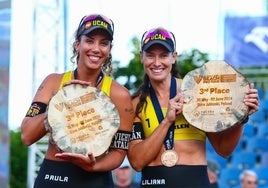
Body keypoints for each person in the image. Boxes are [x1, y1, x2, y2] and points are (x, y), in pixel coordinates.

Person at [127, 27, 260, 188]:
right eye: (150, 55)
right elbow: (137, 162)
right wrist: (167, 122)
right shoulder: (135, 103)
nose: (156, 63)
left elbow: (223, 150)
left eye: (163, 55)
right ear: (142, 57)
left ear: (174, 57)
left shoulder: (197, 93)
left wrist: (242, 116)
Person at [20, 14, 134, 188]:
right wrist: (58, 103)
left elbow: (119, 152)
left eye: (103, 43)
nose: (96, 48)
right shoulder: (53, 82)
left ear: (109, 49)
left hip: (94, 179)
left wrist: (94, 166)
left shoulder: (120, 95)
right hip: (54, 176)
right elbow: (27, 136)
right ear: (77, 44)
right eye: (89, 41)